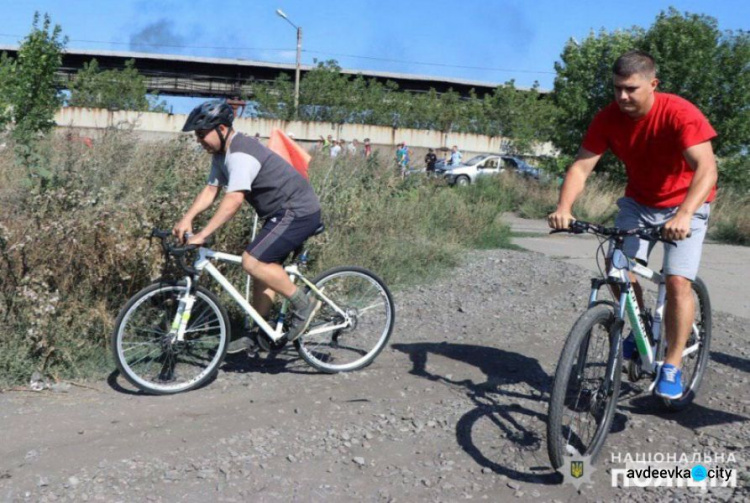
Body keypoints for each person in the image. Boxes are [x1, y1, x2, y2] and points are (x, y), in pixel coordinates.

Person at [547, 50, 718, 400]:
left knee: (676, 281)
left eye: (631, 89)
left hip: (688, 203)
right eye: (616, 89)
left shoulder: (679, 113)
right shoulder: (608, 118)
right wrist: (564, 207)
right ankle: (636, 326)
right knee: (617, 270)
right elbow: (581, 167)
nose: (622, 96)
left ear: (653, 84)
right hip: (638, 203)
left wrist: (684, 214)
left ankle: (671, 365)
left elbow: (707, 169)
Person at [174, 100, 323, 353]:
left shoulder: (241, 153)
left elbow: (233, 200)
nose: (199, 141)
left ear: (221, 129)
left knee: (252, 261)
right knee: (262, 268)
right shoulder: (221, 154)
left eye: (202, 134)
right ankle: (260, 332)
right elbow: (211, 190)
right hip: (279, 213)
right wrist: (186, 218)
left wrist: (203, 234)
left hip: (297, 211)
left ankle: (304, 305)